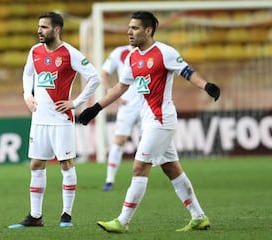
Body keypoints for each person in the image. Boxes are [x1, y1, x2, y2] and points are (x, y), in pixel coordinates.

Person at [78, 11, 220, 233]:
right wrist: (95, 108)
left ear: (148, 30)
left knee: (139, 167)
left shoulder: (164, 52)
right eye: (129, 27)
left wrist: (206, 86)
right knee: (172, 169)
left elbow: (188, 72)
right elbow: (120, 87)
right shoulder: (132, 57)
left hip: (161, 120)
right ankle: (199, 217)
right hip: (149, 121)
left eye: (134, 28)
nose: (129, 32)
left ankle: (122, 221)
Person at [8, 12, 101, 229]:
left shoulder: (69, 53)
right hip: (39, 119)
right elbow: (27, 74)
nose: (39, 30)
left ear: (56, 29)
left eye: (44, 27)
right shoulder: (35, 51)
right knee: (36, 164)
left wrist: (76, 102)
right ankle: (35, 216)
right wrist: (27, 96)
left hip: (61, 119)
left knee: (66, 164)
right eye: (39, 26)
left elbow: (95, 77)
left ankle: (66, 215)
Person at [101, 45, 141, 191]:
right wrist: (110, 91)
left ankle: (141, 179)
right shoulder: (119, 52)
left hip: (147, 105)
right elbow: (104, 72)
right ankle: (109, 179)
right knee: (120, 140)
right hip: (127, 104)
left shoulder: (152, 52)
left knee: (148, 142)